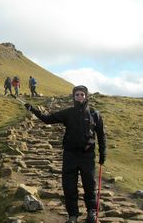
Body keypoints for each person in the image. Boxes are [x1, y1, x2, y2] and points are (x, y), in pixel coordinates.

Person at [24, 85, 106, 223]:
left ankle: (91, 212)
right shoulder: (68, 112)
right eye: (77, 95)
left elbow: (101, 135)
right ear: (73, 97)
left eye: (82, 94)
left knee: (90, 185)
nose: (79, 97)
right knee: (69, 186)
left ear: (86, 96)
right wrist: (33, 110)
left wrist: (103, 152)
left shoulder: (94, 114)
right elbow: (47, 119)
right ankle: (73, 215)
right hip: (70, 155)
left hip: (87, 155)